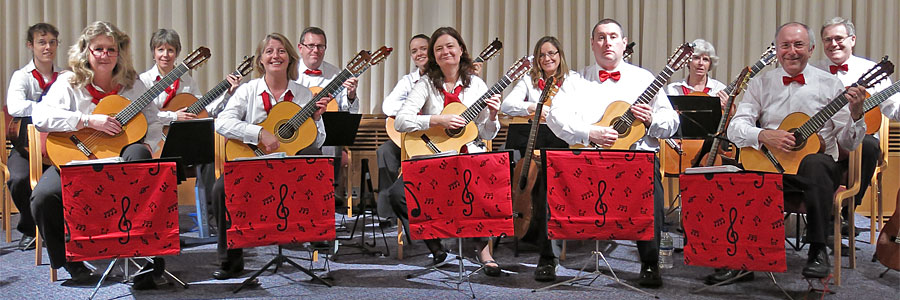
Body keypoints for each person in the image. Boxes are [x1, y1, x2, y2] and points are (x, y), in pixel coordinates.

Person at [727, 22, 867, 279]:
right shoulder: (761, 84)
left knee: (814, 162)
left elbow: (849, 142)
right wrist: (764, 134)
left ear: (811, 49)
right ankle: (741, 258)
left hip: (819, 173)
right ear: (777, 50)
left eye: (799, 44)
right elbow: (735, 128)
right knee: (730, 172)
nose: (792, 51)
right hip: (773, 168)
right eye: (785, 45)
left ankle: (817, 250)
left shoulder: (830, 85)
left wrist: (857, 115)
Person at [547, 18, 679, 288]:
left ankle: (650, 263)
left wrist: (652, 119)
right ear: (592, 44)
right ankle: (546, 260)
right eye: (601, 37)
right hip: (588, 160)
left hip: (633, 162)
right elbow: (555, 116)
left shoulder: (644, 78)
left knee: (652, 182)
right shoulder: (575, 79)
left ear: (623, 43)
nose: (607, 42)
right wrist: (589, 132)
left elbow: (672, 123)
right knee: (550, 173)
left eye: (613, 37)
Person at [30, 21, 164, 286]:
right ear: (86, 51)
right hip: (76, 160)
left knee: (140, 156)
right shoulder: (68, 81)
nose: (105, 55)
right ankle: (72, 262)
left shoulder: (132, 84)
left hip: (119, 165)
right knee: (42, 198)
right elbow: (40, 116)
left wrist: (150, 144)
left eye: (110, 49)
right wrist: (87, 121)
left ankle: (145, 254)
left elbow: (154, 120)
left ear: (119, 52)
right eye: (98, 49)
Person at [210, 33, 329, 280]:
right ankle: (231, 261)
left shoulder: (303, 95)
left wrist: (316, 120)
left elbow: (317, 141)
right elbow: (222, 122)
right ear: (261, 60)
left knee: (316, 161)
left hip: (288, 170)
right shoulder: (247, 91)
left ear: (290, 58)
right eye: (269, 51)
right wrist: (258, 133)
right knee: (220, 189)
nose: (276, 55)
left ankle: (316, 250)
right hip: (253, 165)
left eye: (281, 51)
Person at [387, 26, 504, 276]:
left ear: (461, 50)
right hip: (432, 158)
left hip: (466, 158)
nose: (445, 52)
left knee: (481, 184)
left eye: (450, 46)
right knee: (397, 194)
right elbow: (401, 121)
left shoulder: (478, 86)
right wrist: (437, 120)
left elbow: (485, 133)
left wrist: (493, 115)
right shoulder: (426, 84)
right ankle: (436, 246)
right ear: (433, 56)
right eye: (438, 48)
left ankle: (483, 251)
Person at [500, 36, 585, 281]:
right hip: (534, 148)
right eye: (542, 55)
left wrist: (559, 115)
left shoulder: (573, 80)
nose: (548, 59)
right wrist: (537, 108)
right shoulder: (528, 80)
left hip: (563, 147)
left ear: (560, 55)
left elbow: (580, 109)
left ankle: (548, 238)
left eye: (552, 53)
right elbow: (507, 105)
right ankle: (528, 228)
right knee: (525, 175)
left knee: (552, 179)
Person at [812, 17, 899, 235]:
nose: (833, 44)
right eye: (828, 39)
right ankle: (821, 213)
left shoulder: (871, 70)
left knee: (868, 144)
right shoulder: (812, 71)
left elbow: (894, 108)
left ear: (852, 40)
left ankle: (846, 212)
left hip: (856, 147)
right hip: (823, 143)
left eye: (839, 38)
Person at [5, 22, 63, 251]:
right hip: (25, 148)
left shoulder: (65, 76)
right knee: (18, 179)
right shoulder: (22, 77)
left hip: (55, 146)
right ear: (31, 45)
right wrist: (47, 107)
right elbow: (16, 107)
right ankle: (29, 229)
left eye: (52, 42)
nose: (47, 47)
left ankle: (60, 227)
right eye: (41, 42)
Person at [294, 26, 357, 206]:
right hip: (296, 131)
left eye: (321, 46)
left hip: (323, 131)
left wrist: (351, 95)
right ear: (300, 47)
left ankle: (327, 195)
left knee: (333, 140)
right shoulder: (289, 72)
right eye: (311, 45)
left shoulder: (336, 74)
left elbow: (345, 109)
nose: (316, 50)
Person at [376, 33, 429, 218]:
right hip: (408, 138)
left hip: (432, 139)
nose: (419, 54)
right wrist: (412, 109)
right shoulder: (408, 81)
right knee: (384, 152)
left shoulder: (442, 78)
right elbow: (387, 106)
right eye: (414, 51)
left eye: (423, 48)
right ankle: (386, 214)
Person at [138, 29, 202, 125]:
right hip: (152, 137)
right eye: (160, 50)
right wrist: (174, 117)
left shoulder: (187, 80)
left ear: (177, 53)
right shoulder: (144, 80)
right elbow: (144, 114)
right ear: (154, 53)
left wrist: (226, 95)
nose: (165, 55)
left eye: (170, 50)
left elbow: (202, 107)